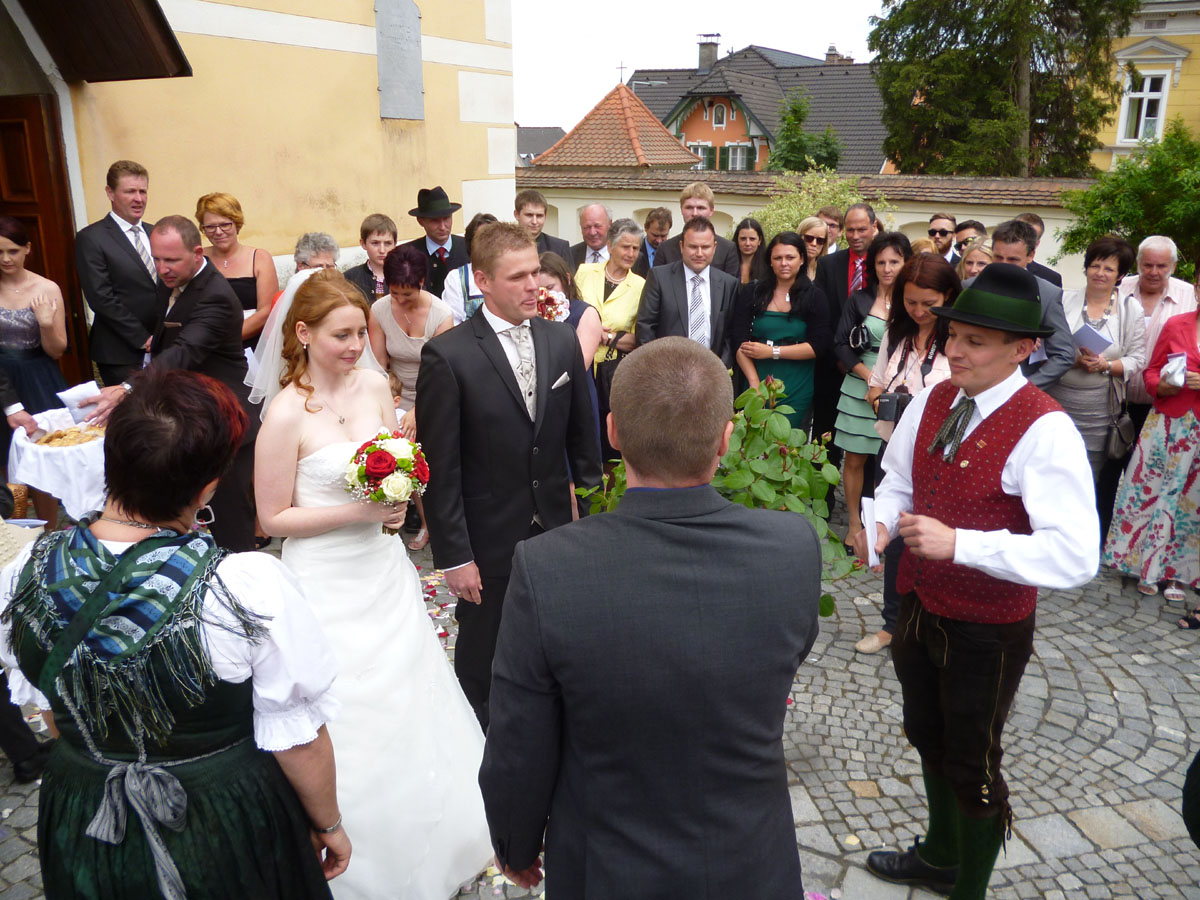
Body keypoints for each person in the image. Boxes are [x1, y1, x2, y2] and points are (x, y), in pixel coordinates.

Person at [479, 336, 821, 898]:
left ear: (612, 433)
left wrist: (515, 843)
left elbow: (519, 741)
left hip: (608, 865)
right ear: (726, 439)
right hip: (751, 859)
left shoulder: (548, 567)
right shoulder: (792, 547)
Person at [0, 367, 348, 898]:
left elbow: (54, 708)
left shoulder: (23, 571)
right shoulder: (245, 586)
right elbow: (299, 738)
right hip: (221, 815)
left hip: (82, 809)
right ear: (208, 486)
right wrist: (328, 824)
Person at [856, 263, 1097, 900]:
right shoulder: (936, 397)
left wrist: (961, 544)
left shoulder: (1045, 427)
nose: (955, 350)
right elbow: (898, 478)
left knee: (973, 761)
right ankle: (940, 856)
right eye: (954, 335)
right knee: (925, 732)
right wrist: (879, 522)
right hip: (918, 601)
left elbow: (1077, 555)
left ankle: (970, 890)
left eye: (975, 341)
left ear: (1023, 350)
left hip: (987, 628)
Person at [251, 267, 492, 898]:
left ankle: (436, 831)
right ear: (303, 333)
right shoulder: (284, 414)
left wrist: (397, 499)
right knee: (343, 707)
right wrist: (359, 511)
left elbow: (392, 469)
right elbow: (272, 518)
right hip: (322, 578)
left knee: (411, 693)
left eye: (361, 331)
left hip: (382, 570)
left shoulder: (376, 386)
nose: (356, 345)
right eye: (342, 335)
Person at [416, 222, 602, 729]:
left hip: (556, 530)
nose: (533, 285)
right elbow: (441, 469)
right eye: (517, 276)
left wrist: (590, 523)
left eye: (535, 272)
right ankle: (480, 739)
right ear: (482, 281)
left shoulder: (561, 340)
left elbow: (583, 445)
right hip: (488, 538)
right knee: (483, 652)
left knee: (555, 641)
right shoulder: (448, 356)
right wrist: (456, 556)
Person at [82, 216, 260, 552]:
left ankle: (237, 573)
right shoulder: (173, 280)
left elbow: (185, 350)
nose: (162, 268)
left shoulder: (215, 295)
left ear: (196, 253)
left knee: (229, 514)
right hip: (193, 411)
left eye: (171, 260)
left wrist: (129, 388)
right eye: (157, 259)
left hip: (228, 415)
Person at [858, 254, 960, 655]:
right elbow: (875, 384)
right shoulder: (896, 333)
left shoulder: (958, 340)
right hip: (895, 445)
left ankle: (934, 624)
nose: (919, 311)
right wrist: (882, 400)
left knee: (936, 539)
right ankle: (892, 625)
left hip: (942, 454)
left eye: (928, 303)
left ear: (948, 295)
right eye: (911, 302)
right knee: (895, 536)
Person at [1045, 236, 1144, 536]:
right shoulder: (1063, 300)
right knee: (1052, 464)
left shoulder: (1130, 309)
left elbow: (1137, 359)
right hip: (1059, 397)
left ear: (1121, 275)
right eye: (1095, 265)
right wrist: (1071, 359)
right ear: (1086, 267)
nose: (1100, 273)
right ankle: (1048, 529)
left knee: (1090, 473)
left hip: (1100, 406)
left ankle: (1080, 536)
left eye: (1109, 269)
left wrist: (1106, 365)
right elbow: (1045, 345)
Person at [1104, 306, 1200, 607]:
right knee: (1149, 493)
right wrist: (1162, 385)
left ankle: (1178, 573)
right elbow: (1151, 373)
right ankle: (1142, 564)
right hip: (1167, 423)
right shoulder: (1176, 324)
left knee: (1191, 503)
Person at [368, 245, 453, 551]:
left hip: (436, 394)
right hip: (394, 393)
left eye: (408, 294)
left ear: (422, 283)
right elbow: (379, 365)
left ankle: (442, 522)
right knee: (403, 452)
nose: (401, 300)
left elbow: (441, 373)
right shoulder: (379, 311)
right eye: (395, 294)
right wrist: (390, 405)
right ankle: (423, 521)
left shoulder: (441, 315)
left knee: (434, 456)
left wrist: (417, 410)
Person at [834, 232, 912, 547]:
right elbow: (840, 344)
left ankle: (883, 525)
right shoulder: (860, 299)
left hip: (900, 388)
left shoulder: (913, 302)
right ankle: (854, 524)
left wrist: (884, 383)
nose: (887, 268)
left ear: (906, 263)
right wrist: (870, 378)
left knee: (892, 463)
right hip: (859, 385)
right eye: (881, 262)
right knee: (854, 459)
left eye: (894, 261)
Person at [0, 216, 67, 524]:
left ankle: (49, 532)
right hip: (3, 382)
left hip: (38, 376)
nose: (5, 259)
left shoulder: (46, 288)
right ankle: (16, 531)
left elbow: (57, 350)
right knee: (6, 461)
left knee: (41, 459)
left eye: (13, 251)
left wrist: (45, 324)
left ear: (27, 248)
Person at [733, 232, 833, 429]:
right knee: (753, 439)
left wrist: (773, 352)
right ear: (770, 261)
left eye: (790, 257)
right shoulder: (753, 292)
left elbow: (819, 346)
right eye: (778, 258)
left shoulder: (815, 297)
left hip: (796, 383)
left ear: (802, 259)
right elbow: (738, 339)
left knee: (785, 439)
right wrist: (754, 384)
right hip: (756, 378)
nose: (784, 263)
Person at [74, 160, 159, 386]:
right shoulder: (91, 238)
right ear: (110, 193)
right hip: (121, 352)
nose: (138, 198)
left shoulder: (155, 232)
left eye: (143, 191)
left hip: (162, 347)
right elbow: (100, 297)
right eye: (130, 191)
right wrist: (143, 338)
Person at [575, 220, 645, 460]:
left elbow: (638, 339)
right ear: (610, 246)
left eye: (635, 248)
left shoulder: (641, 286)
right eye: (625, 247)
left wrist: (606, 336)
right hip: (578, 364)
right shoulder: (585, 273)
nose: (631, 253)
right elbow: (568, 312)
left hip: (611, 373)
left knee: (608, 442)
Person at [815, 203, 876, 449]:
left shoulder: (884, 265)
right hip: (833, 365)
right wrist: (841, 357)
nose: (855, 236)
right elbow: (823, 317)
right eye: (850, 230)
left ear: (874, 227)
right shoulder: (828, 265)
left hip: (873, 366)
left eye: (861, 229)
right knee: (824, 438)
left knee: (868, 442)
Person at [988, 219, 1073, 390]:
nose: (1004, 266)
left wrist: (1025, 388)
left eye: (1013, 259)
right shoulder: (969, 287)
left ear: (1031, 256)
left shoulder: (1047, 294)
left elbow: (1063, 354)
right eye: (998, 257)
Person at [196, 191, 279, 349]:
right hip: (204, 346)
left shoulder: (259, 258)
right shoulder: (198, 259)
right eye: (210, 227)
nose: (218, 232)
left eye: (225, 224)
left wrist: (226, 340)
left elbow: (267, 311)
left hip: (250, 346)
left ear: (236, 223)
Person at [539, 252, 602, 447]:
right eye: (539, 289)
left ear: (566, 280)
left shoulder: (584, 313)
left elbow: (579, 366)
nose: (544, 295)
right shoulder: (532, 313)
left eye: (550, 287)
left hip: (573, 398)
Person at [651, 182, 740, 278]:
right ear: (681, 209)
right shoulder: (665, 249)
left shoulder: (728, 249)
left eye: (701, 208)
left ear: (711, 210)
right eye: (689, 207)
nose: (695, 213)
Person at [404, 186, 468, 297]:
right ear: (420, 221)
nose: (442, 227)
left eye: (446, 218)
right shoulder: (407, 254)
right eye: (434, 221)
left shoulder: (469, 248)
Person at [443, 213, 499, 325]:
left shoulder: (511, 274)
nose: (488, 244)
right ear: (471, 243)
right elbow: (453, 325)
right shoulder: (457, 278)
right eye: (481, 239)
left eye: (493, 239)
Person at [343, 214, 397, 302]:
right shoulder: (349, 278)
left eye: (388, 243)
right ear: (363, 243)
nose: (382, 250)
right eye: (375, 243)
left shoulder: (406, 276)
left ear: (395, 244)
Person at [515, 188, 571, 260]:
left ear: (545, 216)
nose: (534, 222)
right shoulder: (504, 246)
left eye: (539, 216)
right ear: (516, 215)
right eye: (529, 215)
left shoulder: (560, 248)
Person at [1014, 212, 1062, 287]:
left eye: (1029, 238)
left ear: (1036, 244)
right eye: (1019, 234)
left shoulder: (1051, 279)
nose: (1021, 241)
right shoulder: (993, 267)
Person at [633, 206, 672, 277]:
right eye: (655, 235)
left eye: (663, 236)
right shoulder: (634, 251)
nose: (659, 241)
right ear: (645, 228)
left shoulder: (673, 253)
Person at [570, 203, 612, 268]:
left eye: (597, 226)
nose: (592, 233)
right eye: (587, 227)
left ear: (610, 224)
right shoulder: (570, 255)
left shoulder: (622, 255)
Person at [734, 217, 770, 284]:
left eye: (752, 239)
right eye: (743, 239)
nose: (747, 243)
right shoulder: (727, 265)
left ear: (760, 240)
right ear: (737, 240)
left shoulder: (768, 267)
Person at [797, 216, 829, 282]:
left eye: (820, 240)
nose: (814, 244)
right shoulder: (788, 270)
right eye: (809, 238)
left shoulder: (827, 272)